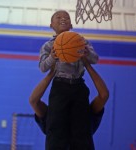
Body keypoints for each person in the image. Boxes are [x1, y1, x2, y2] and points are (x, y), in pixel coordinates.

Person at [39, 10, 99, 150]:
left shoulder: (81, 41)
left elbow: (95, 59)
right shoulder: (48, 46)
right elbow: (42, 67)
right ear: (51, 25)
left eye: (66, 17)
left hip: (78, 86)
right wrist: (52, 58)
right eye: (58, 17)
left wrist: (87, 53)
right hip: (59, 87)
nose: (63, 19)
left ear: (71, 24)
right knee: (56, 127)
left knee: (81, 127)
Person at [29, 58, 109, 150]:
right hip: (73, 88)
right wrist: (87, 65)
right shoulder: (88, 123)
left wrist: (52, 73)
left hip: (62, 88)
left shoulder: (50, 123)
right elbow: (104, 95)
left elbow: (33, 101)